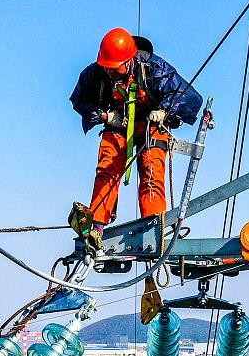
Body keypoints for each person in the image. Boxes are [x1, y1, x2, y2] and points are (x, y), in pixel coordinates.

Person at [70, 28, 202, 244]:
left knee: (151, 172)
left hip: (152, 124)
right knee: (106, 170)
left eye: (115, 68)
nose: (110, 72)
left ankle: (153, 227)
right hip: (119, 124)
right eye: (107, 67)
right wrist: (106, 116)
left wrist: (164, 110)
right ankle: (97, 227)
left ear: (129, 59)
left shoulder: (155, 68)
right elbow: (81, 100)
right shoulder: (96, 73)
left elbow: (187, 95)